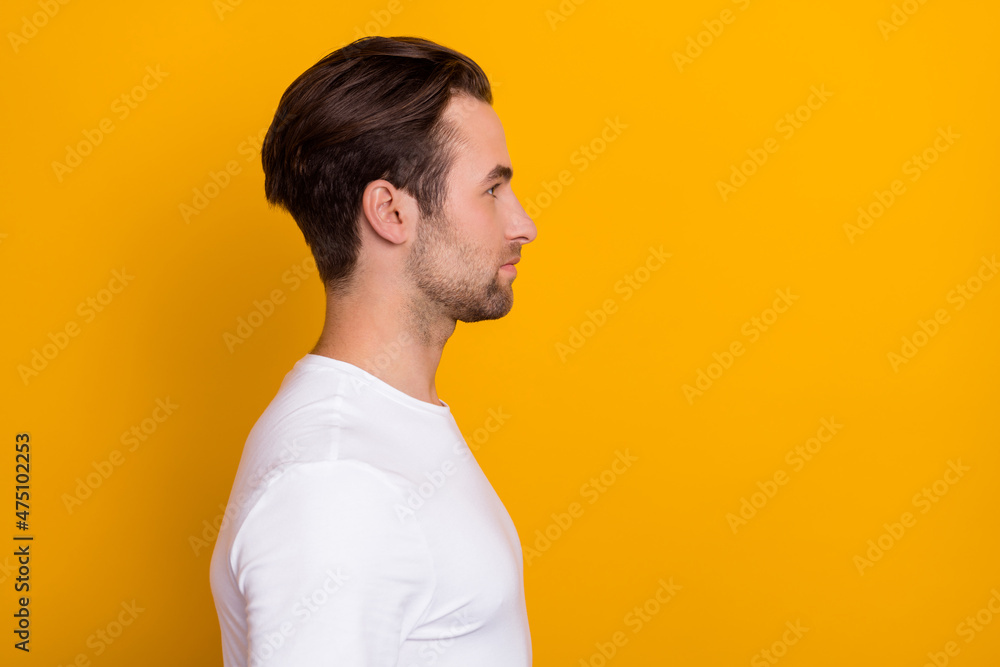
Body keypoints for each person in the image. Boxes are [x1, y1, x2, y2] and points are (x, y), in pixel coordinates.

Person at [209, 35, 538, 666]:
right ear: (390, 211)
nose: (523, 224)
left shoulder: (385, 427)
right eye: (491, 190)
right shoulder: (335, 484)